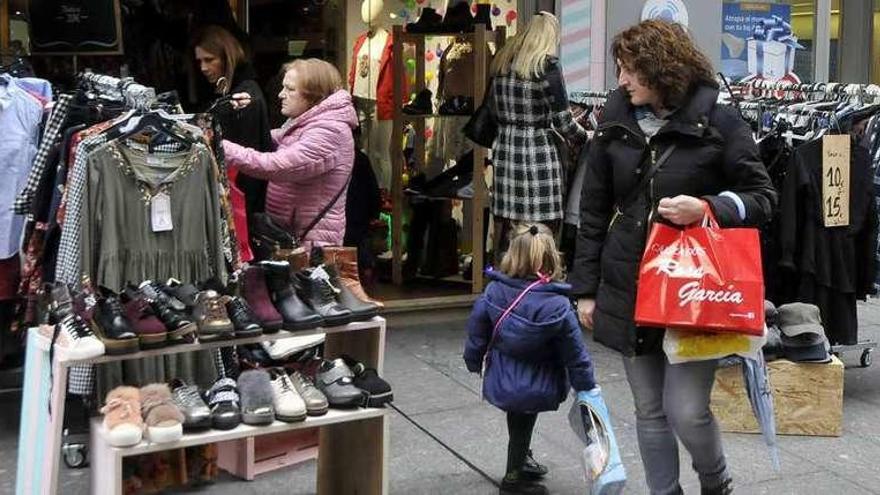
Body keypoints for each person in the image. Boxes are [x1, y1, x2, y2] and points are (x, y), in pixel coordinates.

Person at [568, 20, 776, 495]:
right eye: (619, 69)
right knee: (648, 408)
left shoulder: (720, 122)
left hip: (692, 289)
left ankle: (715, 481)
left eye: (631, 71)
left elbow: (763, 198)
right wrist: (584, 289)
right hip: (628, 283)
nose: (621, 81)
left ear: (662, 69)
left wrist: (707, 208)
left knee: (686, 409)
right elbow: (594, 209)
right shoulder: (615, 119)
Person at [464, 222, 597, 495]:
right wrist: (586, 386)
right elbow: (576, 353)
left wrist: (473, 360)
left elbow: (477, 331)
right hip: (540, 380)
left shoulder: (493, 292)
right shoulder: (557, 305)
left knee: (519, 420)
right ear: (552, 257)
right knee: (523, 421)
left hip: (503, 375)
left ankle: (521, 459)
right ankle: (513, 478)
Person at [223, 59, 358, 250]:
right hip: (295, 240)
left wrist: (223, 147)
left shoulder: (329, 131)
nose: (280, 94)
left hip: (312, 247)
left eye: (290, 89)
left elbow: (277, 166)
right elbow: (265, 139)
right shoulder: (304, 124)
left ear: (313, 95)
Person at [489, 12, 586, 260]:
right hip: (538, 153)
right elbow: (563, 122)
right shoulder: (546, 67)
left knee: (512, 223)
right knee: (541, 227)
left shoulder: (502, 62)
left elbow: (491, 109)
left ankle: (510, 273)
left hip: (506, 149)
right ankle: (538, 275)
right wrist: (586, 136)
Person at [194, 25, 272, 260]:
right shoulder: (229, 93)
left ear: (226, 56)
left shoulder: (243, 97)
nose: (203, 67)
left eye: (209, 59)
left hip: (241, 200)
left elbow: (250, 158)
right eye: (199, 61)